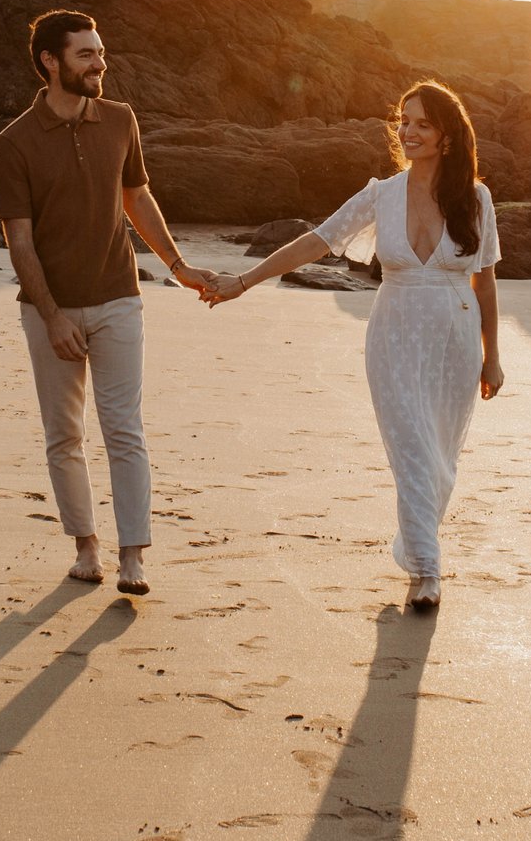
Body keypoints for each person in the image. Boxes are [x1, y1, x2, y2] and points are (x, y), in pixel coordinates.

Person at [203, 81, 502, 611]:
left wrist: (493, 356)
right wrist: (245, 280)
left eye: (422, 124)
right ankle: (429, 571)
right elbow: (316, 240)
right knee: (411, 448)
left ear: (448, 136)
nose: (408, 131)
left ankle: (416, 547)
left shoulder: (475, 198)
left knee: (440, 458)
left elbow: (486, 282)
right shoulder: (380, 195)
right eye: (404, 121)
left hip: (456, 342)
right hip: (394, 337)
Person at [0, 10, 211, 596]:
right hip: (50, 311)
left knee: (124, 429)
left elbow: (137, 196)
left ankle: (133, 557)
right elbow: (20, 240)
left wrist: (177, 265)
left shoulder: (121, 120)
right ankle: (86, 547)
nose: (99, 63)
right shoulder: (14, 142)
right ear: (50, 62)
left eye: (99, 51)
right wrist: (52, 315)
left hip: (119, 297)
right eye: (86, 54)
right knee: (64, 435)